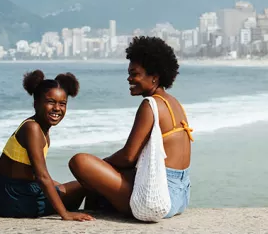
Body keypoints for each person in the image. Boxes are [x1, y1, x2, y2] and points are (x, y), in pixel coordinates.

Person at [67, 36, 193, 219]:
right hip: (181, 195)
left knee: (80, 162)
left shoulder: (150, 105)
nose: (129, 78)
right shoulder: (174, 103)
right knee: (98, 181)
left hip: (159, 197)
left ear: (154, 78)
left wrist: (101, 165)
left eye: (135, 74)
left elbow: (128, 157)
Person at [0, 70, 94, 221]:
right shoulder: (33, 128)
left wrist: (56, 187)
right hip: (11, 197)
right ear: (36, 103)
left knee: (69, 187)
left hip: (9, 190)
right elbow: (42, 176)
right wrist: (65, 214)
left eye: (62, 104)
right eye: (50, 102)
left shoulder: (40, 128)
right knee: (83, 187)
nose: (57, 108)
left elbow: (33, 173)